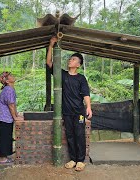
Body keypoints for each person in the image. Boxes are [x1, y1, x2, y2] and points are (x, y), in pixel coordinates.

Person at [46, 37, 92, 171]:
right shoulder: (62, 75)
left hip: (78, 112)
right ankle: (73, 159)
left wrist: (88, 107)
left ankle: (80, 160)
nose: (69, 60)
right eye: (70, 58)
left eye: (73, 59)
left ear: (78, 64)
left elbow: (86, 94)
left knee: (79, 135)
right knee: (70, 135)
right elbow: (49, 62)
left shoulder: (81, 78)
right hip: (66, 112)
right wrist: (51, 45)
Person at [0, 71, 23, 164]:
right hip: (4, 117)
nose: (13, 76)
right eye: (11, 76)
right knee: (5, 137)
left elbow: (13, 104)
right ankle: (3, 158)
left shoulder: (8, 88)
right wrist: (15, 117)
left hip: (1, 117)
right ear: (7, 81)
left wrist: (16, 115)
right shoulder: (9, 89)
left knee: (1, 136)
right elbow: (11, 105)